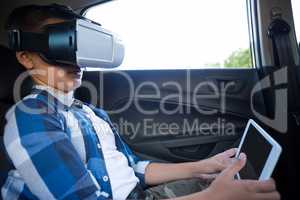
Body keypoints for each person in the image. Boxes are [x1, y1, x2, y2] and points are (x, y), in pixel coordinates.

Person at [2, 4, 280, 200]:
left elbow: (134, 167)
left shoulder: (91, 113)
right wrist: (211, 198)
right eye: (62, 47)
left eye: (80, 48)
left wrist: (206, 166)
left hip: (140, 194)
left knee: (245, 183)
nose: (75, 62)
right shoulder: (32, 117)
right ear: (26, 57)